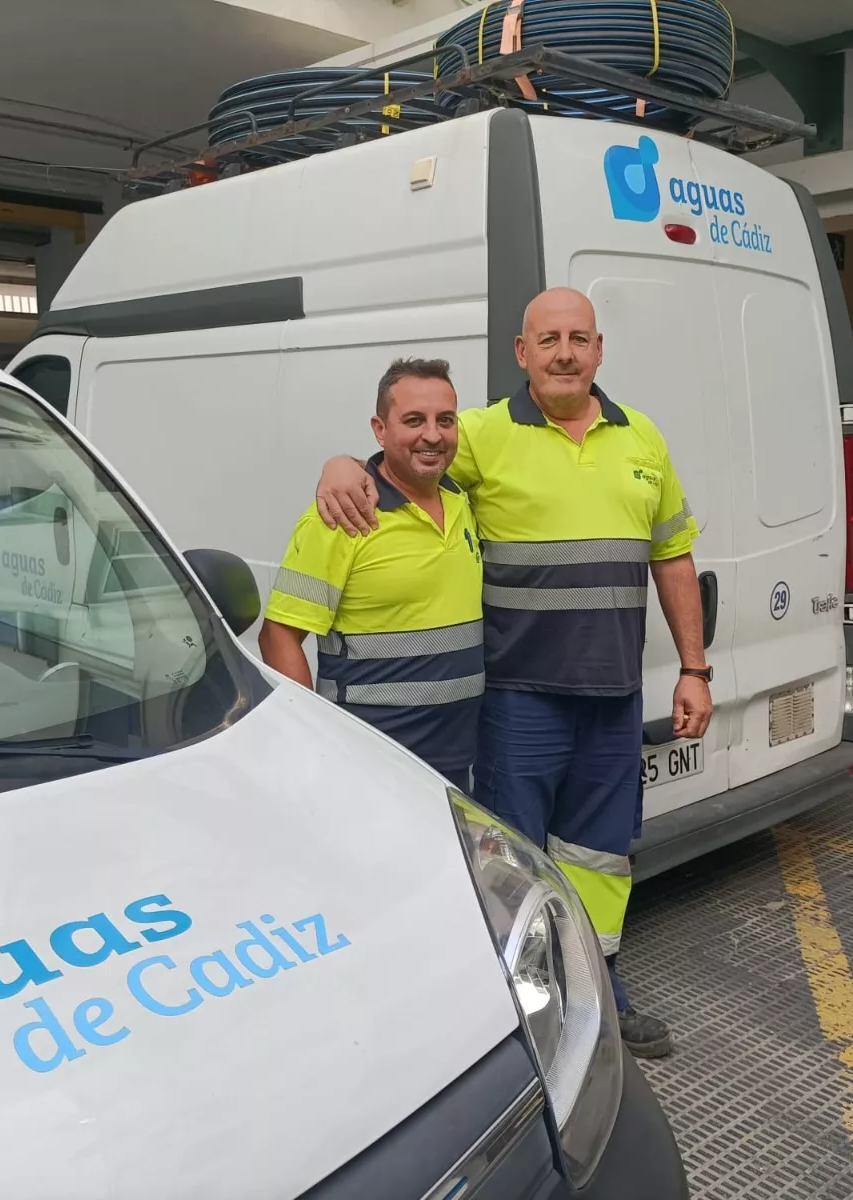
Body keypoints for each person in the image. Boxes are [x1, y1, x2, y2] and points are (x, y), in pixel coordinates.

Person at [314, 288, 712, 1058]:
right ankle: (520, 1006)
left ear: (599, 351)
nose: (565, 352)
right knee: (511, 861)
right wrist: (340, 463)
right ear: (522, 353)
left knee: (600, 860)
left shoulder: (644, 439)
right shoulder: (482, 434)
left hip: (612, 697)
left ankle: (600, 986)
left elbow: (673, 554)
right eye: (548, 339)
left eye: (579, 338)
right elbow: (404, 461)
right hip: (518, 697)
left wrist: (693, 667)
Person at [260, 358, 484, 787]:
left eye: (446, 420)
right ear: (380, 430)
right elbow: (278, 636)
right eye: (414, 420)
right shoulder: (341, 516)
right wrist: (312, 739)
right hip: (371, 760)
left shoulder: (461, 501)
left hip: (457, 757)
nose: (433, 435)